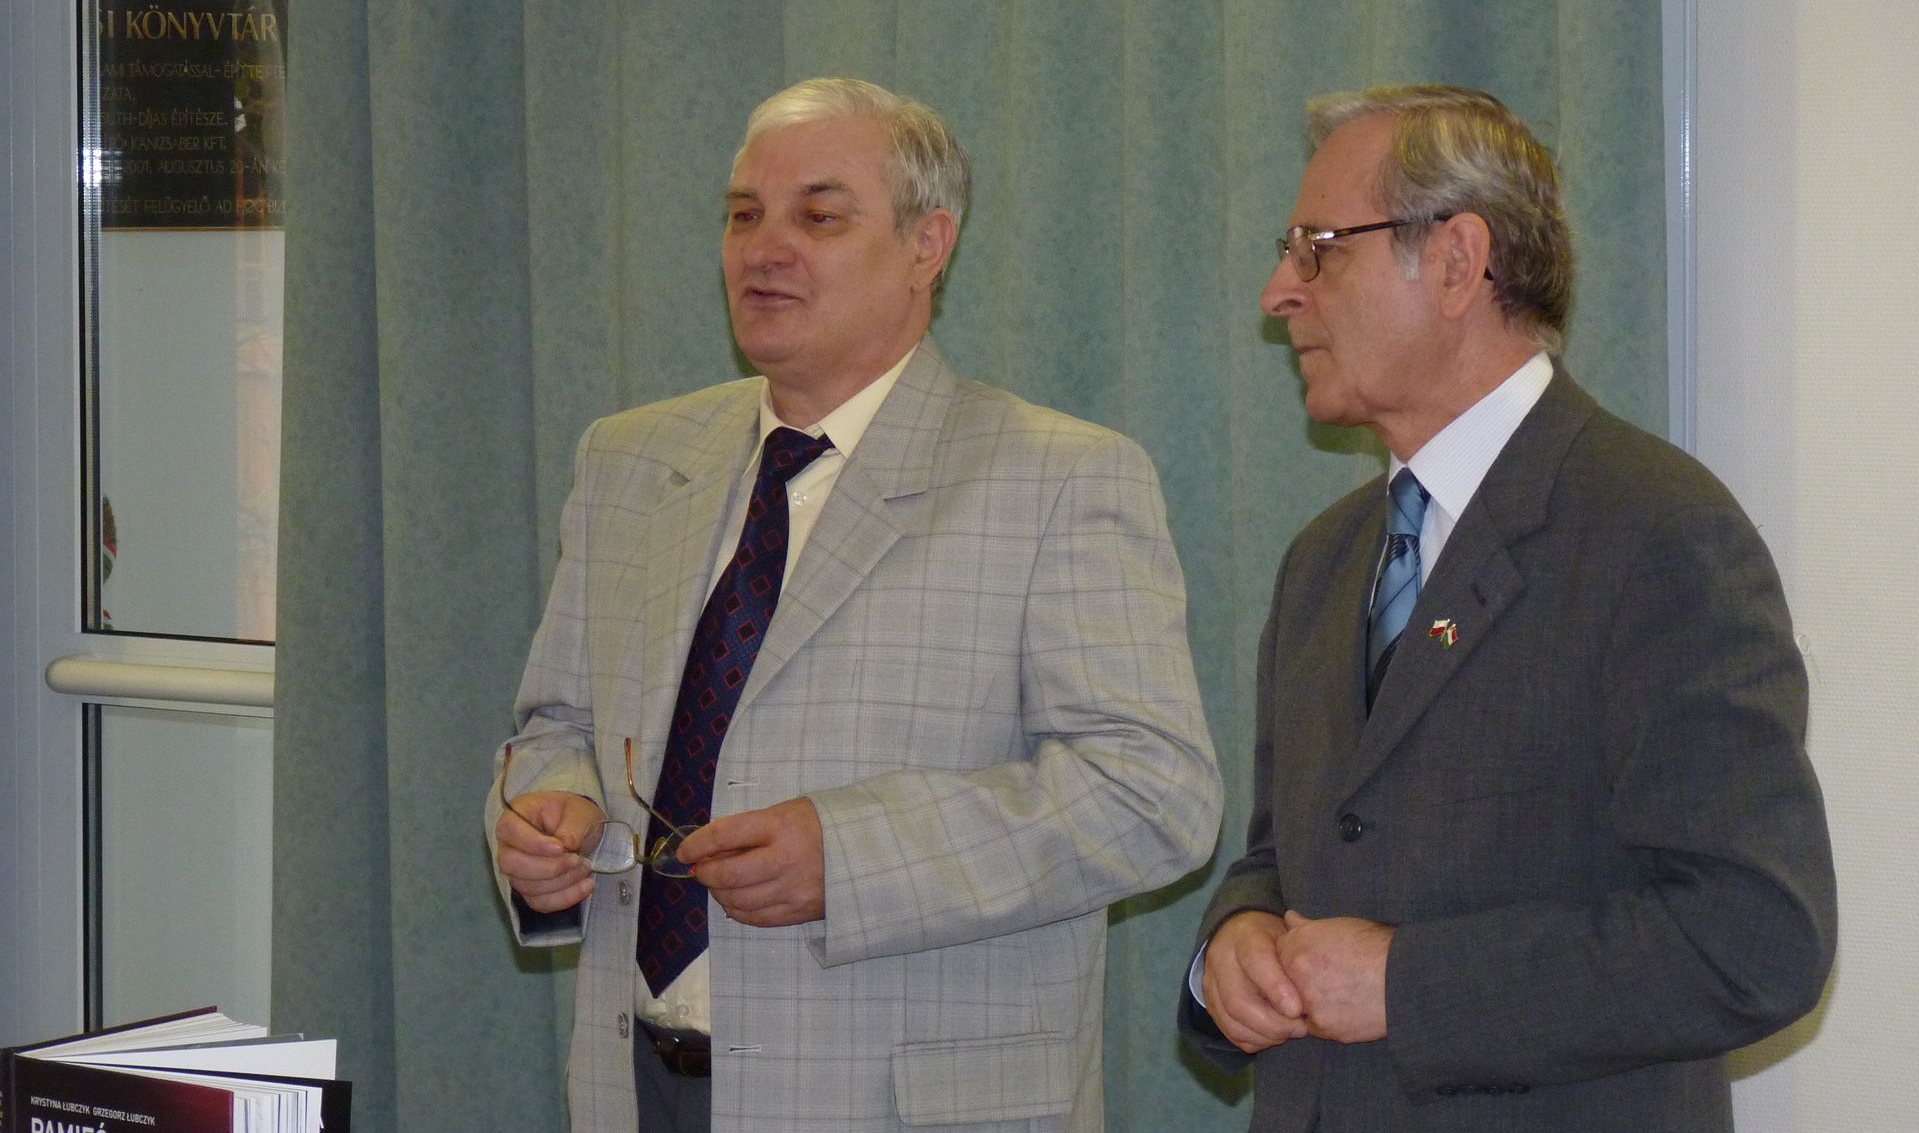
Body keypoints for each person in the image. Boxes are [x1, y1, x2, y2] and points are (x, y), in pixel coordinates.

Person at [491, 78, 1222, 1133]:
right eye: (744, 214)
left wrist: (854, 858)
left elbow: (1151, 797)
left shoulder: (1059, 477)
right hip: (636, 1085)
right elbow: (555, 727)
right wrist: (545, 815)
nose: (764, 249)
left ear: (928, 246)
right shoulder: (630, 461)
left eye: (819, 217)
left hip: (900, 1106)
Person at [1180, 84, 1835, 1131]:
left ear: (1455, 260)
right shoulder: (1323, 560)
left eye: (1318, 250)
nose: (1278, 293)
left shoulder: (1654, 532)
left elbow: (1753, 937)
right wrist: (1235, 941)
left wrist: (1408, 987)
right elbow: (1289, 856)